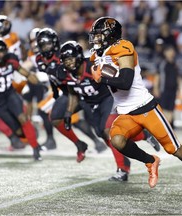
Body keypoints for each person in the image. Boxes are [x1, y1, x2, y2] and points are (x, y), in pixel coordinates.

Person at [89, 16, 182, 207]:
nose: (96, 39)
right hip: (126, 112)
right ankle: (150, 161)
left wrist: (102, 78)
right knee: (116, 140)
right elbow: (95, 75)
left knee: (175, 150)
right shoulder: (97, 55)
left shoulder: (124, 48)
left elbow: (125, 81)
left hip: (145, 107)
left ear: (111, 35)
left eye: (100, 35)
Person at [60, 41, 160, 181]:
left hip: (108, 99)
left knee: (108, 131)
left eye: (70, 58)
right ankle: (143, 135)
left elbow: (115, 77)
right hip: (91, 104)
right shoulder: (67, 74)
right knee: (102, 134)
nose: (68, 63)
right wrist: (68, 113)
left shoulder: (92, 65)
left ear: (78, 56)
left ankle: (122, 169)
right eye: (65, 60)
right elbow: (73, 94)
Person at [35, 28, 107, 159]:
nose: (45, 48)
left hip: (79, 89)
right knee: (57, 117)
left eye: (47, 44)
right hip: (65, 92)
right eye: (42, 45)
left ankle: (101, 143)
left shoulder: (63, 55)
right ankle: (77, 143)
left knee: (94, 124)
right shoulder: (39, 58)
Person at [0, 37, 42, 161]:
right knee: (18, 132)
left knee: (23, 118)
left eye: (1, 51)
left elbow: (25, 73)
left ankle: (36, 148)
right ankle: (32, 135)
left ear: (6, 51)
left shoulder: (11, 59)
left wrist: (38, 83)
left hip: (11, 94)